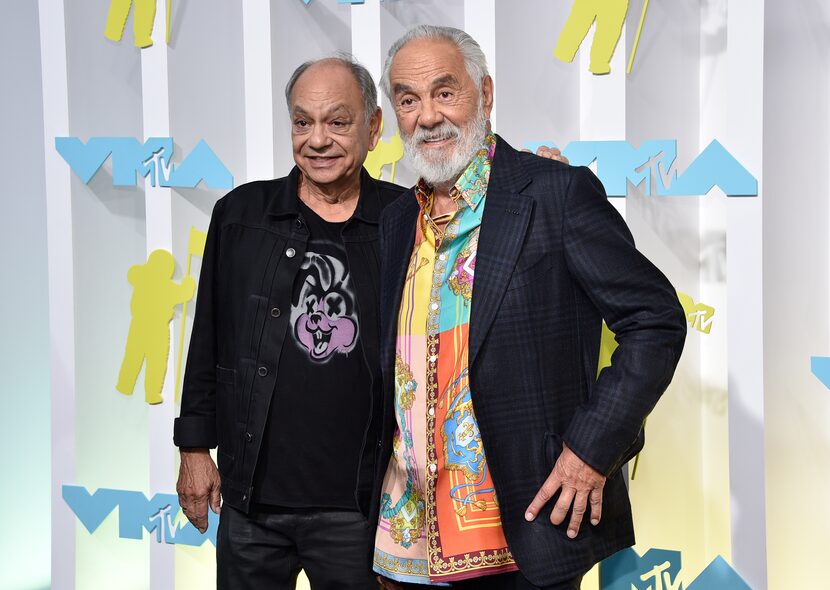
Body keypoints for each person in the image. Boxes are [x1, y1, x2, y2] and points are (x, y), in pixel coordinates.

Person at [173, 53, 569, 589]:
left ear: (374, 127)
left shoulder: (408, 217)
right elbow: (208, 340)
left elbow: (483, 249)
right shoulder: (241, 214)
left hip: (359, 506)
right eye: (302, 122)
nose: (318, 140)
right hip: (251, 505)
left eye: (338, 122)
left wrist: (541, 182)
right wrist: (195, 448)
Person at [371, 26, 687, 589]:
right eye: (408, 99)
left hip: (525, 530)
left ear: (486, 94)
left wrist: (591, 451)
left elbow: (655, 321)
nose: (427, 115)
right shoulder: (397, 221)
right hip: (409, 542)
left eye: (446, 92)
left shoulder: (553, 194)